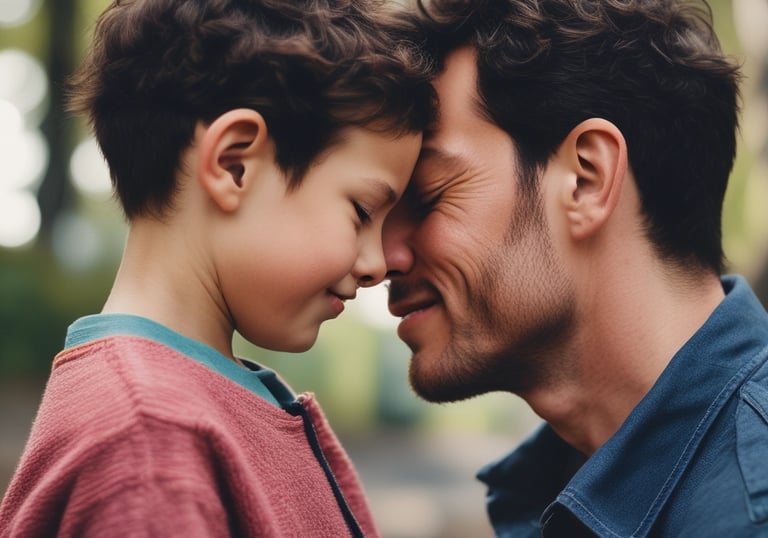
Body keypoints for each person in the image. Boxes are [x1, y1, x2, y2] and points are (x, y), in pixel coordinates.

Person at [0, 0, 434, 536]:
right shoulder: (148, 440)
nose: (376, 264)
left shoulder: (191, 405)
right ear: (234, 165)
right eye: (363, 212)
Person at [383, 0, 768, 536]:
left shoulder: (748, 511)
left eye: (426, 197)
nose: (383, 255)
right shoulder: (553, 489)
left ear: (586, 179)